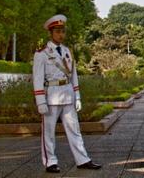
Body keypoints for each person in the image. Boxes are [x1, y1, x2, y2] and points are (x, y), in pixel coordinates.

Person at [33, 14, 101, 173]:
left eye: (63, 31)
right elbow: (37, 78)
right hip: (51, 96)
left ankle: (82, 159)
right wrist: (40, 101)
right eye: (57, 31)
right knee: (48, 133)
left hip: (68, 95)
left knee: (74, 130)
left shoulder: (67, 51)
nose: (61, 34)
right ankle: (50, 162)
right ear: (50, 33)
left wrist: (77, 96)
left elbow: (73, 75)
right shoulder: (42, 53)